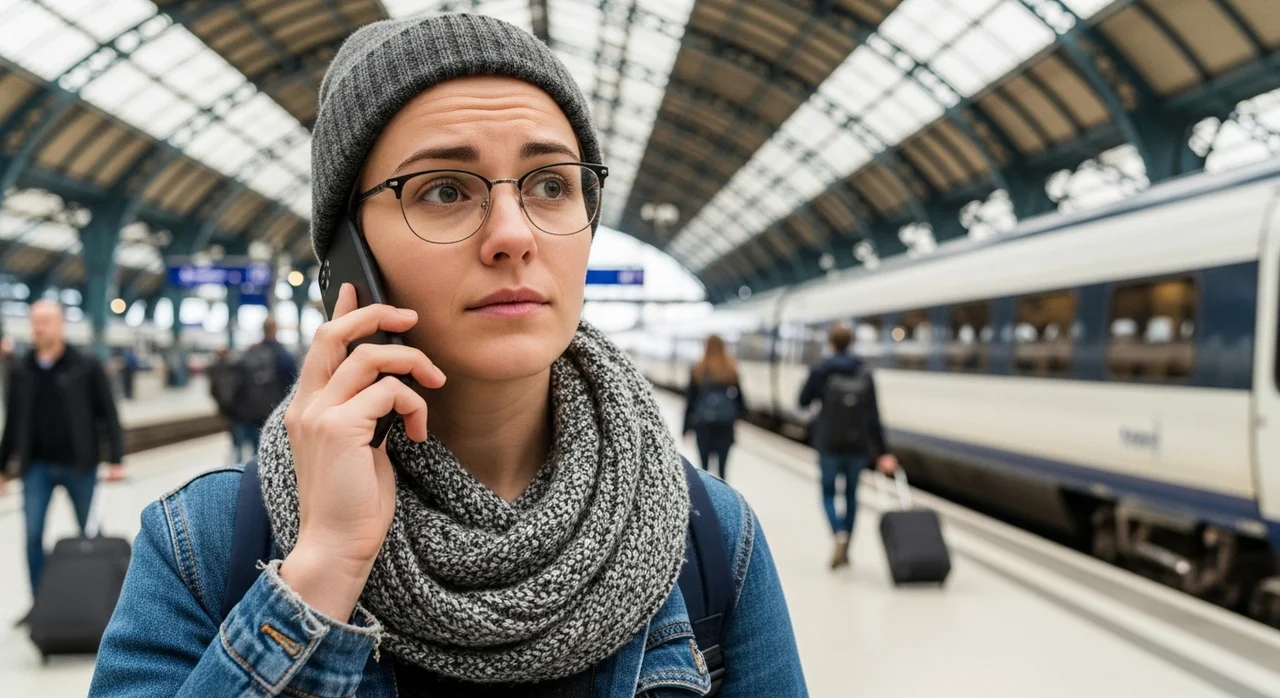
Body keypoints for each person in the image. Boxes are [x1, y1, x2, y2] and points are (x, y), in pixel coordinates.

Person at [91, 13, 806, 697]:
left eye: (552, 184)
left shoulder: (713, 537)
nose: (512, 234)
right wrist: (320, 576)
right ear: (348, 258)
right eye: (443, 190)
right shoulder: (205, 544)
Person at [0, 299, 124, 623]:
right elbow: (12, 421)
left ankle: (103, 602)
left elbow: (107, 412)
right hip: (36, 466)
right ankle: (40, 605)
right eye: (35, 322)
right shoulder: (21, 368)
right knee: (31, 535)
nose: (39, 328)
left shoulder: (85, 364)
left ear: (60, 325)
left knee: (90, 534)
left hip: (79, 464)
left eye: (45, 321)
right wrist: (2, 467)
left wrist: (115, 458)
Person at [798, 323, 898, 570]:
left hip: (828, 443)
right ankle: (847, 543)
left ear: (830, 343)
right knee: (852, 495)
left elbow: (802, 401)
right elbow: (874, 416)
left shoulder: (821, 369)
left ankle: (837, 532)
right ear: (852, 343)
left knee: (829, 493)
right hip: (858, 446)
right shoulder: (864, 372)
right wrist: (883, 452)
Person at [228, 317, 299, 459]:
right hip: (275, 413)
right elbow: (294, 387)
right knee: (273, 454)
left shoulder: (251, 353)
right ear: (275, 329)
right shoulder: (283, 355)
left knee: (254, 451)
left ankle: (250, 472)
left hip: (251, 413)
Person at [682, 334, 745, 480]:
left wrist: (686, 429)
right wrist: (733, 418)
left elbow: (690, 402)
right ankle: (723, 497)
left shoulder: (698, 369)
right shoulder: (731, 369)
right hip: (725, 427)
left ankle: (707, 497)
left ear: (706, 347)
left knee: (703, 468)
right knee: (723, 469)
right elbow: (741, 402)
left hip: (703, 425)